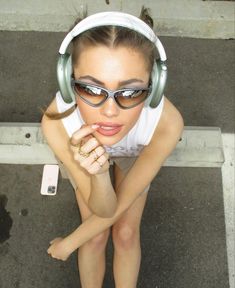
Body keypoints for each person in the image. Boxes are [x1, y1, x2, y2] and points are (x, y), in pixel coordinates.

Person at [41, 7, 184, 288]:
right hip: (83, 151)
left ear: (154, 87)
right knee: (94, 236)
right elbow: (104, 210)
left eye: (130, 92)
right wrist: (98, 173)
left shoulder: (166, 124)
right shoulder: (57, 124)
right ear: (67, 79)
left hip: (136, 151)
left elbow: (120, 207)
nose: (109, 112)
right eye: (91, 89)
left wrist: (69, 243)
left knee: (126, 233)